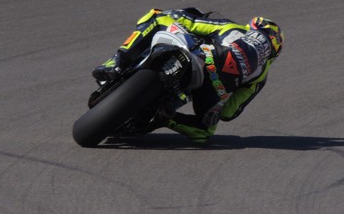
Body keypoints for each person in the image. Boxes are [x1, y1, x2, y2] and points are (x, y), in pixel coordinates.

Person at [92, 8, 283, 143]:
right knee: (204, 132)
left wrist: (177, 18)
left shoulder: (232, 28)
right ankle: (167, 117)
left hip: (204, 55)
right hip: (214, 87)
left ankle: (117, 61)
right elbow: (229, 113)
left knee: (157, 16)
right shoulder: (261, 76)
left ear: (252, 28)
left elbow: (189, 22)